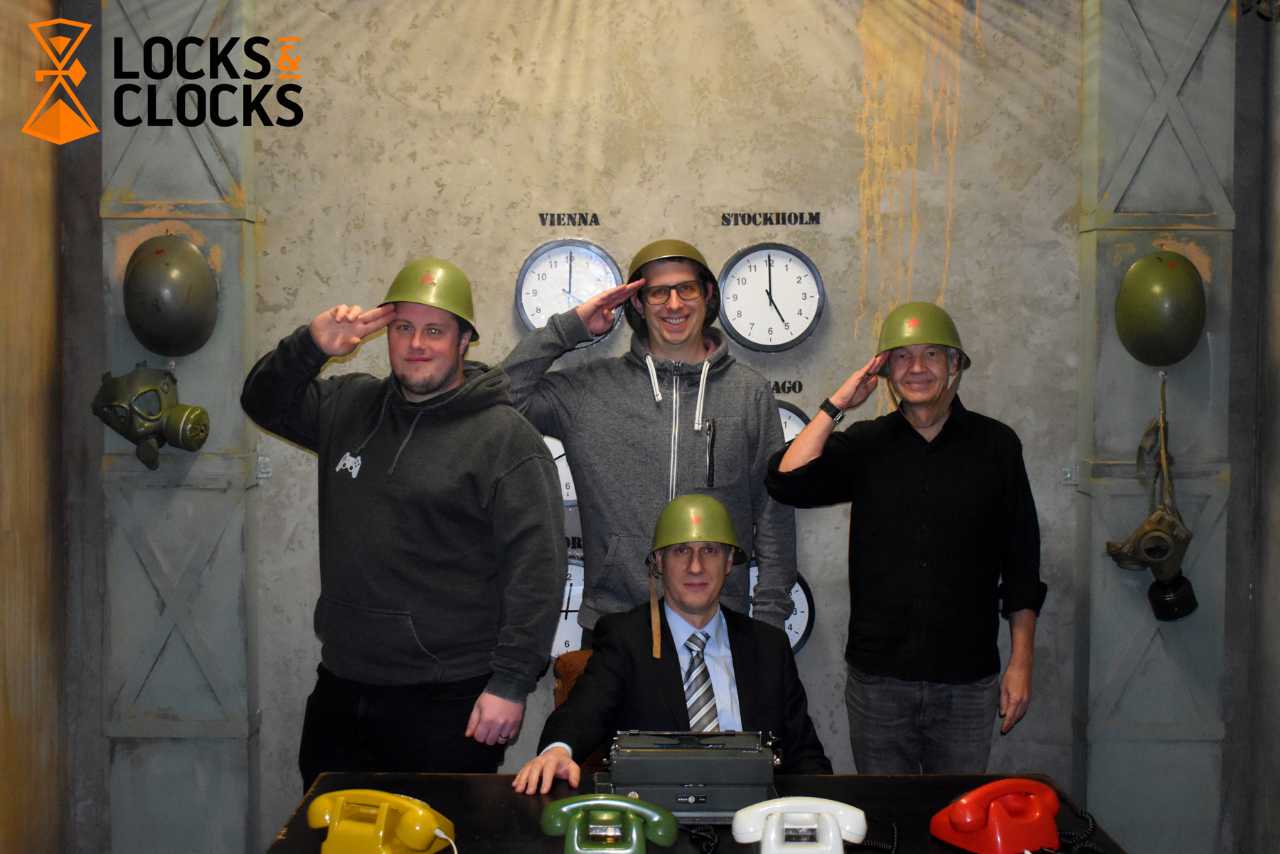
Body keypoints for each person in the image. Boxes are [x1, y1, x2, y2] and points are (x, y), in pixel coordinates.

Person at [241, 257, 565, 789]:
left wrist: (510, 684)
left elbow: (538, 572)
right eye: (403, 328)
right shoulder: (348, 406)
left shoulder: (506, 439)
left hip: (449, 700)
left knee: (439, 831)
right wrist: (311, 346)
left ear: (464, 341)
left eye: (435, 331)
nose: (416, 344)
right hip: (342, 689)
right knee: (327, 830)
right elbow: (261, 400)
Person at [766, 301, 1046, 774]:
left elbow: (1022, 564)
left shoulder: (996, 446)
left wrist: (1022, 663)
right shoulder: (867, 444)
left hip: (967, 682)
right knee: (884, 813)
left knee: (954, 812)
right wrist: (838, 404)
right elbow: (785, 480)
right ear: (885, 371)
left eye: (931, 354)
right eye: (902, 357)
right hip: (879, 683)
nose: (917, 368)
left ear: (954, 365)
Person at [501, 239, 797, 640]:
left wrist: (769, 624)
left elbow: (773, 514)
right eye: (658, 293)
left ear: (708, 294)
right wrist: (570, 328)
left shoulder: (749, 393)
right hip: (614, 623)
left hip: (722, 626)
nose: (674, 305)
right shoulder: (589, 389)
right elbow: (501, 399)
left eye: (686, 289)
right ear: (638, 304)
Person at [512, 493, 831, 795]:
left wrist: (822, 807)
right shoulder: (625, 639)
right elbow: (584, 711)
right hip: (654, 818)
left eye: (710, 550)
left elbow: (805, 755)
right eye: (680, 551)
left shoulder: (768, 647)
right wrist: (558, 750)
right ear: (658, 562)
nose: (696, 566)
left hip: (752, 817)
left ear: (729, 561)